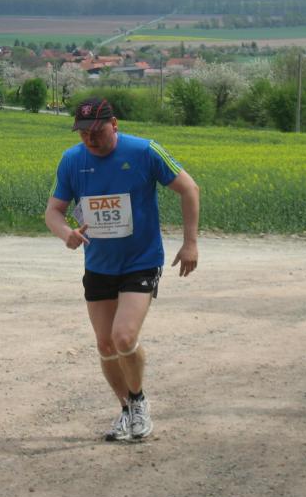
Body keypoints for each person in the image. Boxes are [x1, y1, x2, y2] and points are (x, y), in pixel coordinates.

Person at [45, 97, 200, 441]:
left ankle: (139, 400)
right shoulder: (72, 160)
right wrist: (65, 233)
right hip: (99, 264)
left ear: (114, 125)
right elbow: (53, 211)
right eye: (83, 132)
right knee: (105, 345)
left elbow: (189, 188)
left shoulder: (144, 151)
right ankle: (126, 409)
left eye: (97, 130)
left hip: (141, 260)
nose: (90, 138)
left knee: (124, 336)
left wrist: (190, 242)